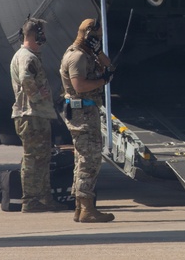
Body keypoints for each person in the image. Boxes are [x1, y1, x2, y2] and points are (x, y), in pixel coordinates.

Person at [60, 18, 116, 223]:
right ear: (87, 35)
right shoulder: (77, 57)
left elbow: (110, 66)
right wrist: (102, 80)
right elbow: (79, 86)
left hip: (87, 112)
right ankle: (87, 208)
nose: (97, 40)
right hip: (82, 114)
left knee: (83, 158)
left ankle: (80, 207)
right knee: (89, 159)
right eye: (95, 37)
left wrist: (99, 51)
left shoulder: (86, 54)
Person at [10, 17, 62, 212]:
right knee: (33, 158)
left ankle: (44, 198)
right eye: (41, 34)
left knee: (42, 157)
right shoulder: (27, 57)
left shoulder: (25, 55)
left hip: (35, 114)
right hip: (31, 115)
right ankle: (30, 200)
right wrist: (38, 94)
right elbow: (25, 77)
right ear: (35, 35)